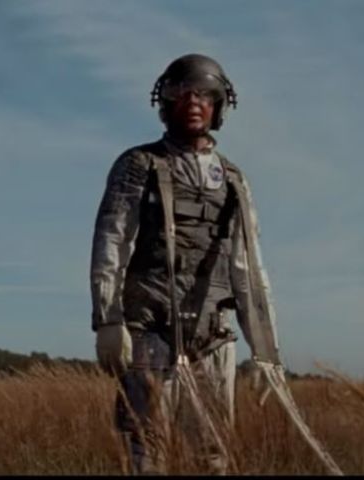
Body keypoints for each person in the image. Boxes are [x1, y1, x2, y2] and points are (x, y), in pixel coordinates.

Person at [89, 53, 284, 475]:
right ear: (166, 101)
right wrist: (108, 319)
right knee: (146, 454)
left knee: (213, 457)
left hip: (213, 338)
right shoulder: (138, 165)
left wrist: (266, 351)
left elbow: (249, 269)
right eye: (183, 92)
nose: (194, 101)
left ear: (219, 105)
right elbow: (112, 243)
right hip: (149, 329)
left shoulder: (234, 180)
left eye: (204, 94)